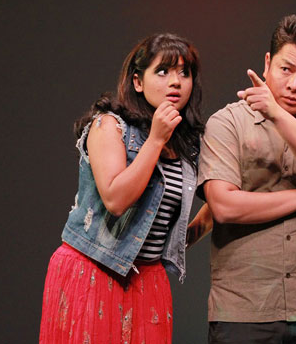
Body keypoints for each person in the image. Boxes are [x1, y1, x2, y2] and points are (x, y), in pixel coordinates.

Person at [197, 15, 296, 344]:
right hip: (243, 308)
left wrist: (277, 114)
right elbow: (225, 207)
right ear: (267, 63)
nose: (295, 85)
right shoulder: (227, 123)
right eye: (286, 69)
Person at [39, 33, 212, 344]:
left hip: (148, 280)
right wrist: (155, 140)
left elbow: (159, 231)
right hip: (94, 271)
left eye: (184, 73)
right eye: (163, 71)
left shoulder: (188, 146)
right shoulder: (110, 126)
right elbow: (116, 200)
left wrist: (214, 212)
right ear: (138, 81)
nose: (175, 82)